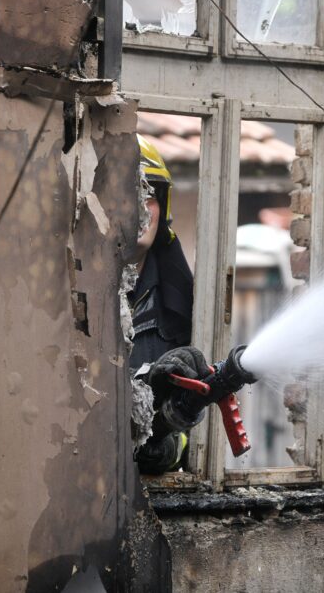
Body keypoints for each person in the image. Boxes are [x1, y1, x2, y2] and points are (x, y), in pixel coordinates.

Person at [129, 136, 210, 474]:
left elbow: (193, 438)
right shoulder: (69, 293)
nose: (141, 206)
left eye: (150, 195)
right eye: (128, 192)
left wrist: (165, 443)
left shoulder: (180, 304)